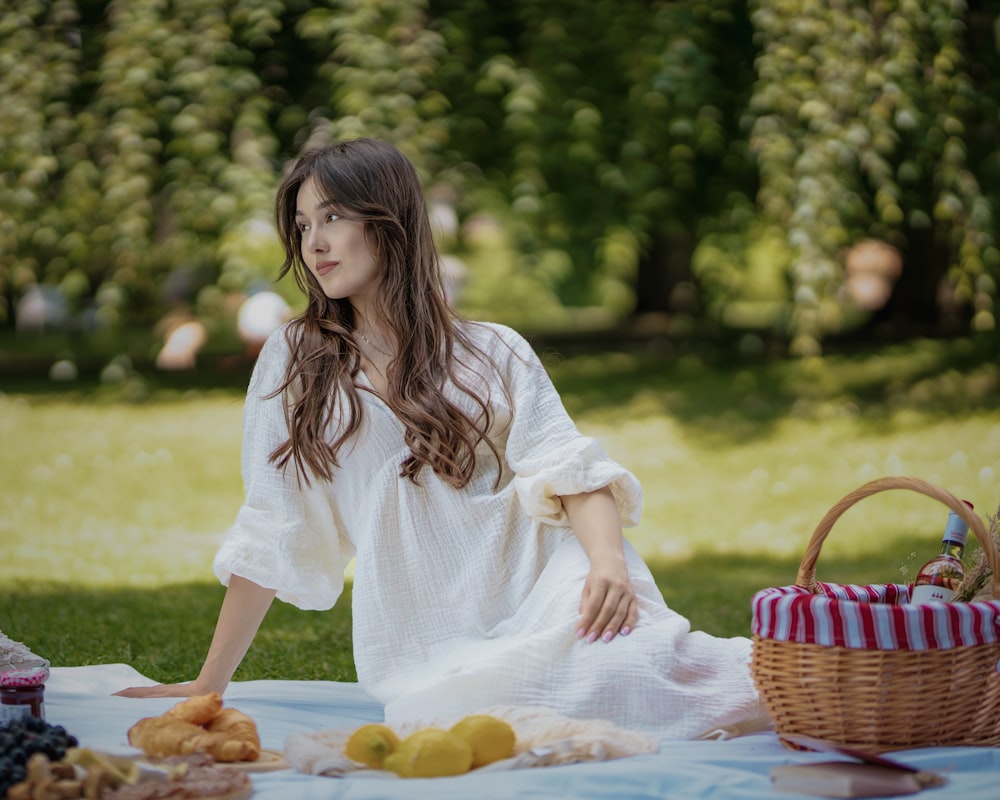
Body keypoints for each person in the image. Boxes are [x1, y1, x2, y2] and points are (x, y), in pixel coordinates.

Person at [117, 138, 765, 739]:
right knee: (451, 716)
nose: (314, 242)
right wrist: (209, 683)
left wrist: (608, 564)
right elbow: (271, 523)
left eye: (333, 216)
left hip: (549, 585)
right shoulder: (297, 359)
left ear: (389, 220)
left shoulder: (492, 350)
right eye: (304, 225)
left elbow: (568, 466)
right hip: (429, 639)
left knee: (644, 673)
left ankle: (831, 677)